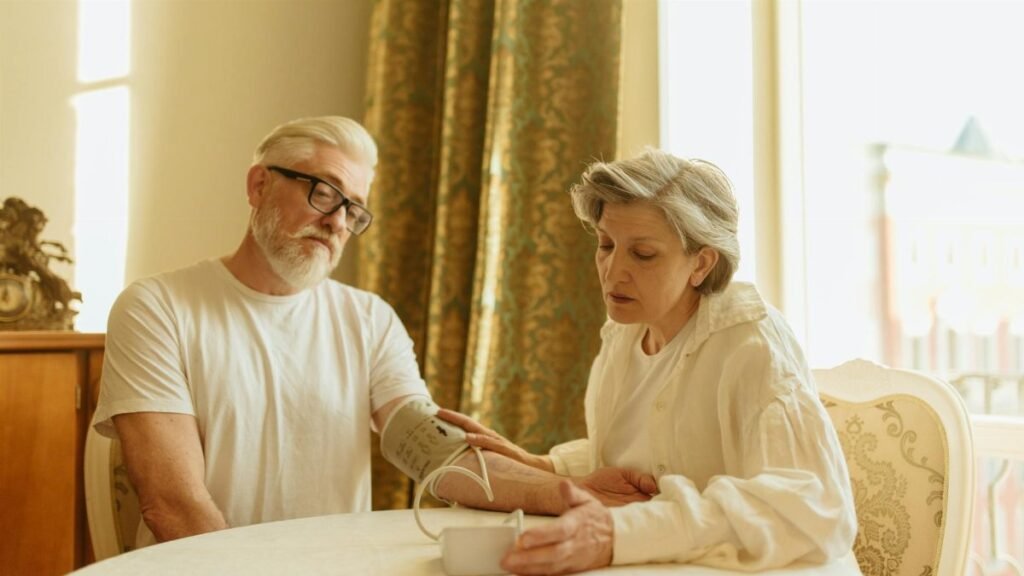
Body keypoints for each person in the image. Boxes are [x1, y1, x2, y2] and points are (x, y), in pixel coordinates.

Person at [91, 116, 657, 549]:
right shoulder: (158, 307)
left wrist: (568, 491)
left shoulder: (368, 319)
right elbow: (173, 504)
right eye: (322, 192)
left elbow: (433, 453)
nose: (338, 221)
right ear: (259, 185)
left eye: (354, 209)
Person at [439, 149, 858, 575]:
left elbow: (813, 510)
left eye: (642, 254)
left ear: (701, 263)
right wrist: (546, 467)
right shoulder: (626, 331)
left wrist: (618, 534)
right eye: (605, 244)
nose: (613, 271)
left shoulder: (751, 342)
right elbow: (655, 459)